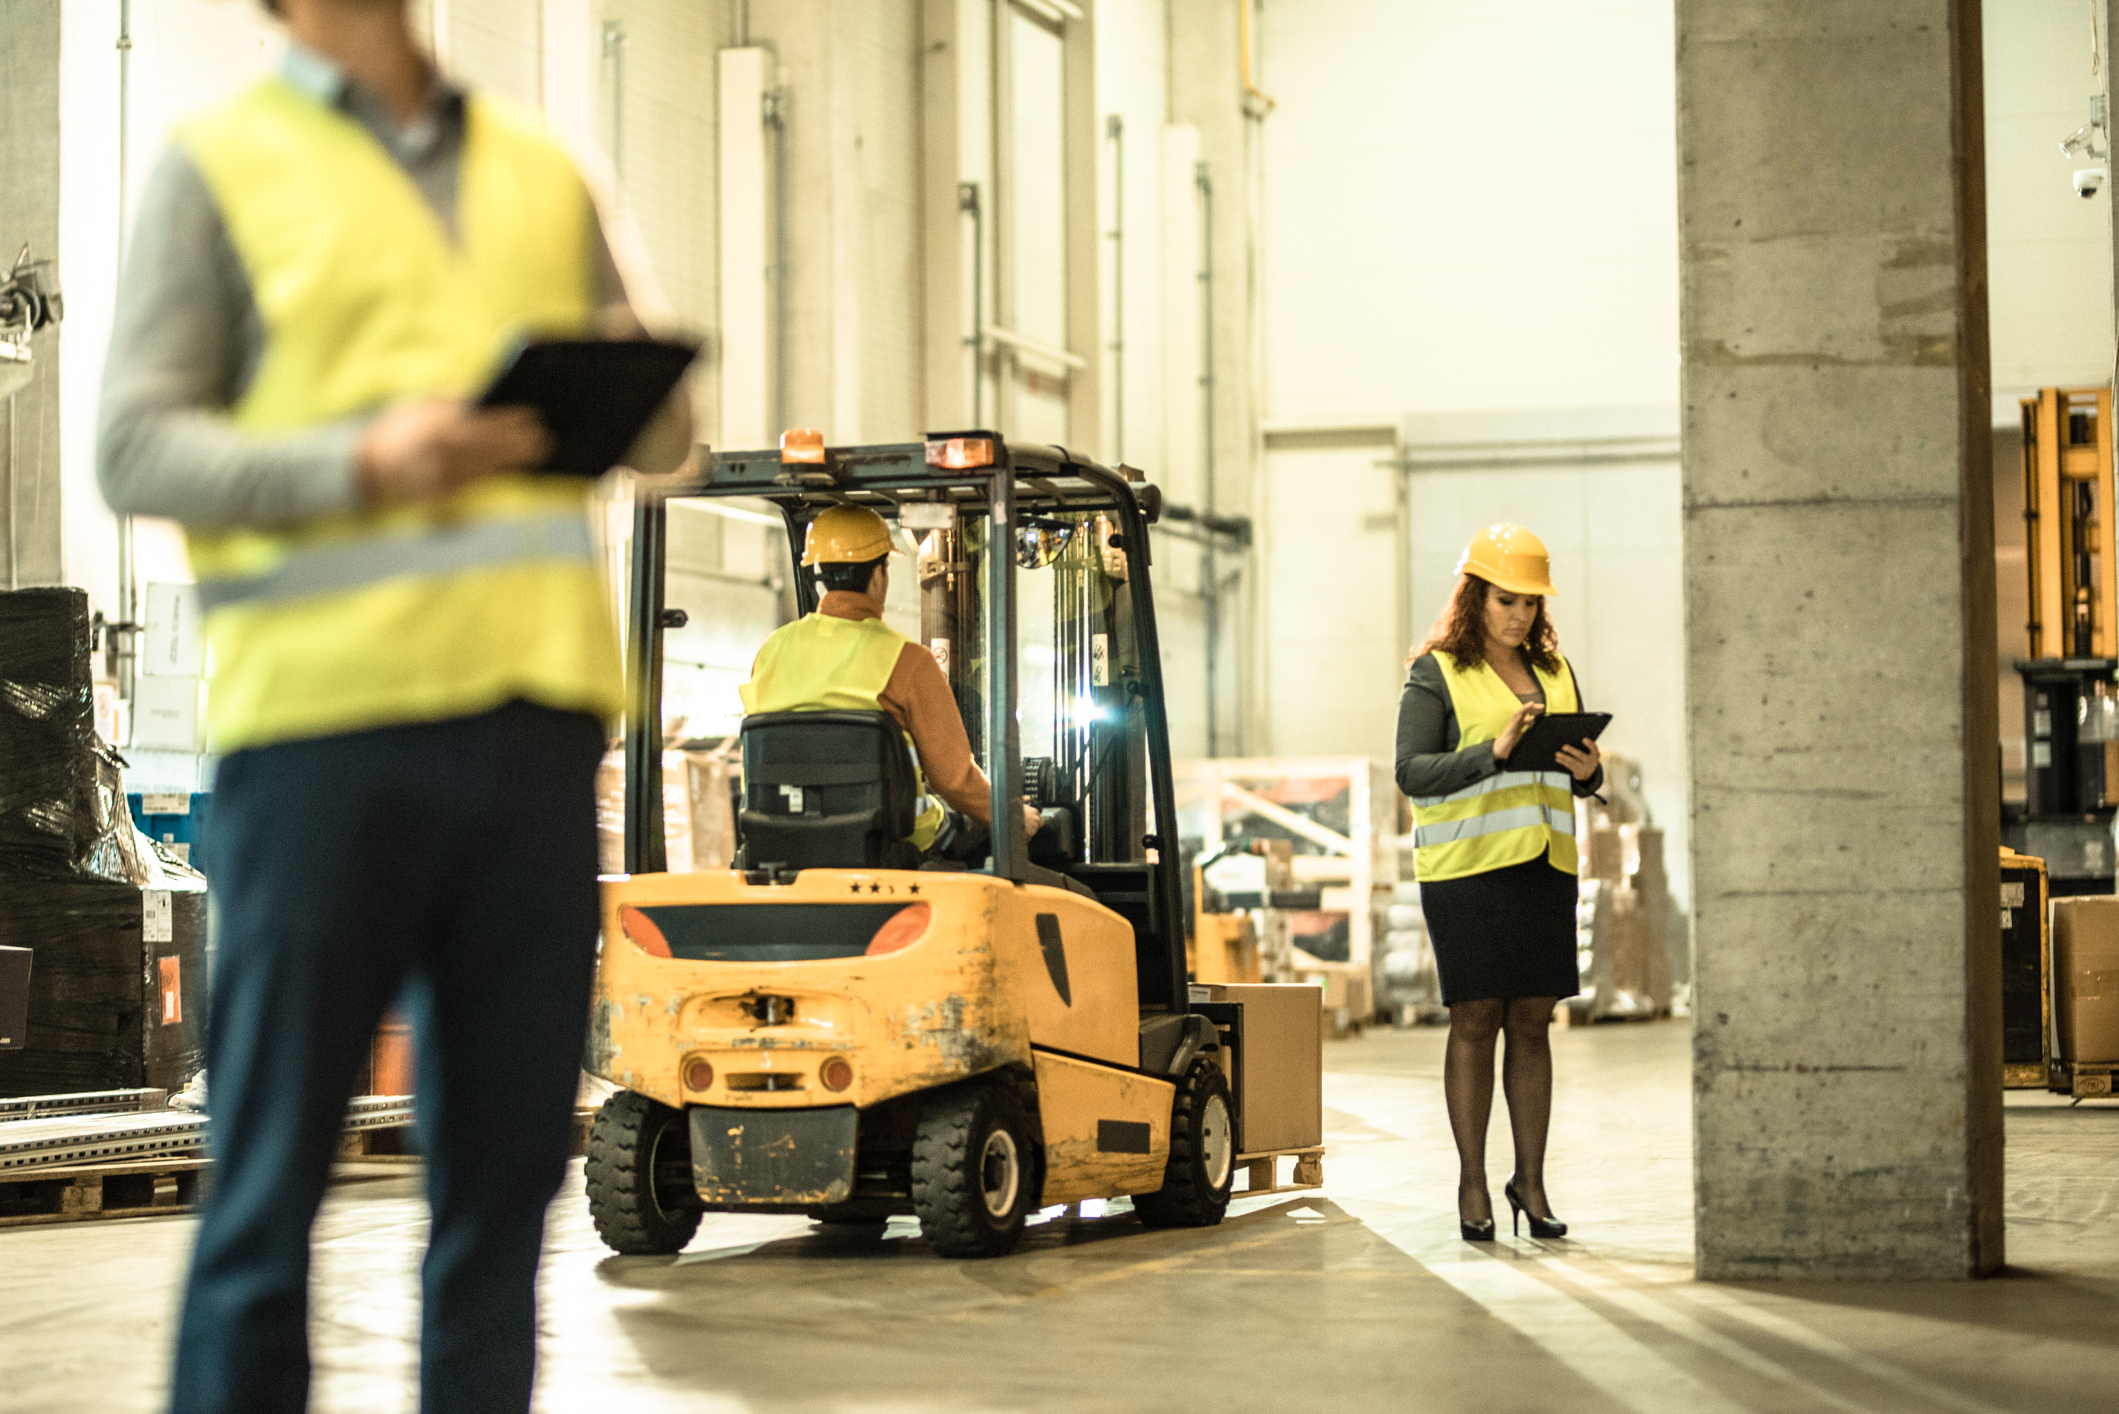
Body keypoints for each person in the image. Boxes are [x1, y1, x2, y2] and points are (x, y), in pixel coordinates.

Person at [94, 2, 689, 1410]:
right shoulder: (218, 162)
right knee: (269, 1188)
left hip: (531, 740)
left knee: (500, 1202)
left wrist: (629, 373)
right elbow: (132, 440)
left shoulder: (544, 170)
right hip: (322, 742)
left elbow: (666, 440)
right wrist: (363, 459)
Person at [1394, 523, 1602, 1243]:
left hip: (1545, 868)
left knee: (1533, 1025)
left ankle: (1531, 1183)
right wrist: (1492, 752)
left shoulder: (1555, 670)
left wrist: (1588, 773)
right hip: (1467, 875)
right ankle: (1473, 1183)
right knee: (1476, 1020)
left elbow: (1577, 769)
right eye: (1504, 600)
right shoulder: (1437, 672)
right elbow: (1411, 772)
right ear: (1474, 597)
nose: (1518, 615)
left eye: (1528, 603)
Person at [740, 504, 1040, 849]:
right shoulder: (908, 661)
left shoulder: (770, 651)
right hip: (897, 847)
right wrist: (1012, 816)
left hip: (783, 845)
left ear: (816, 571)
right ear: (879, 573)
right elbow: (955, 781)